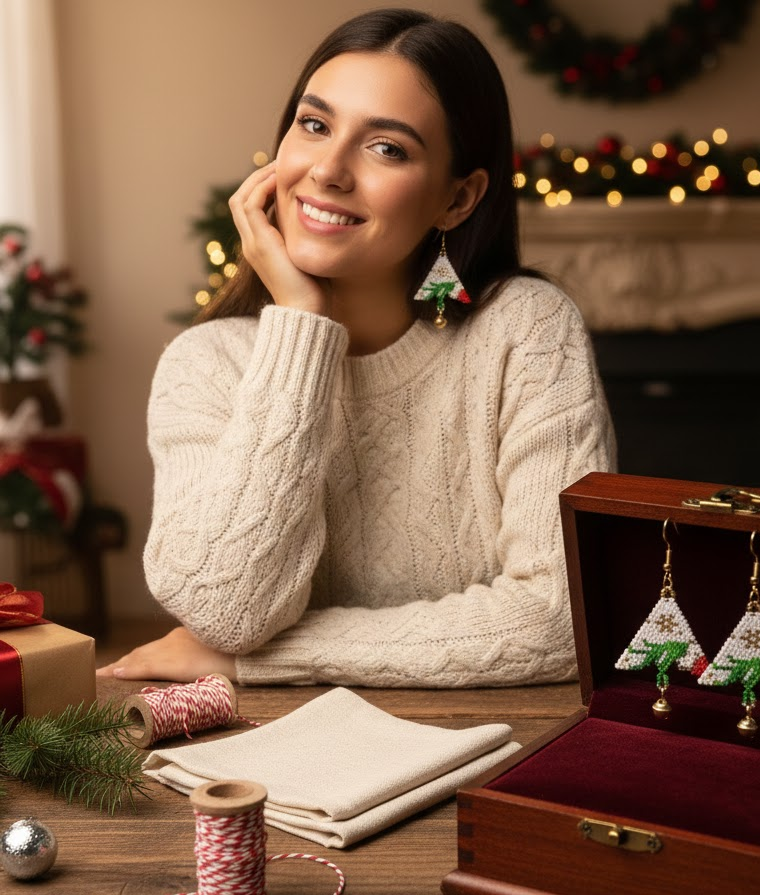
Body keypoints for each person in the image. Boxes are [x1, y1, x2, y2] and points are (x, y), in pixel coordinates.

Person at [98, 8, 615, 689]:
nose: (329, 170)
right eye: (314, 125)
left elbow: (560, 620)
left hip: (494, 739)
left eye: (387, 148)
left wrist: (265, 660)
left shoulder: (525, 330)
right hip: (274, 741)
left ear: (458, 199)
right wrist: (301, 325)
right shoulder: (206, 363)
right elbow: (224, 611)